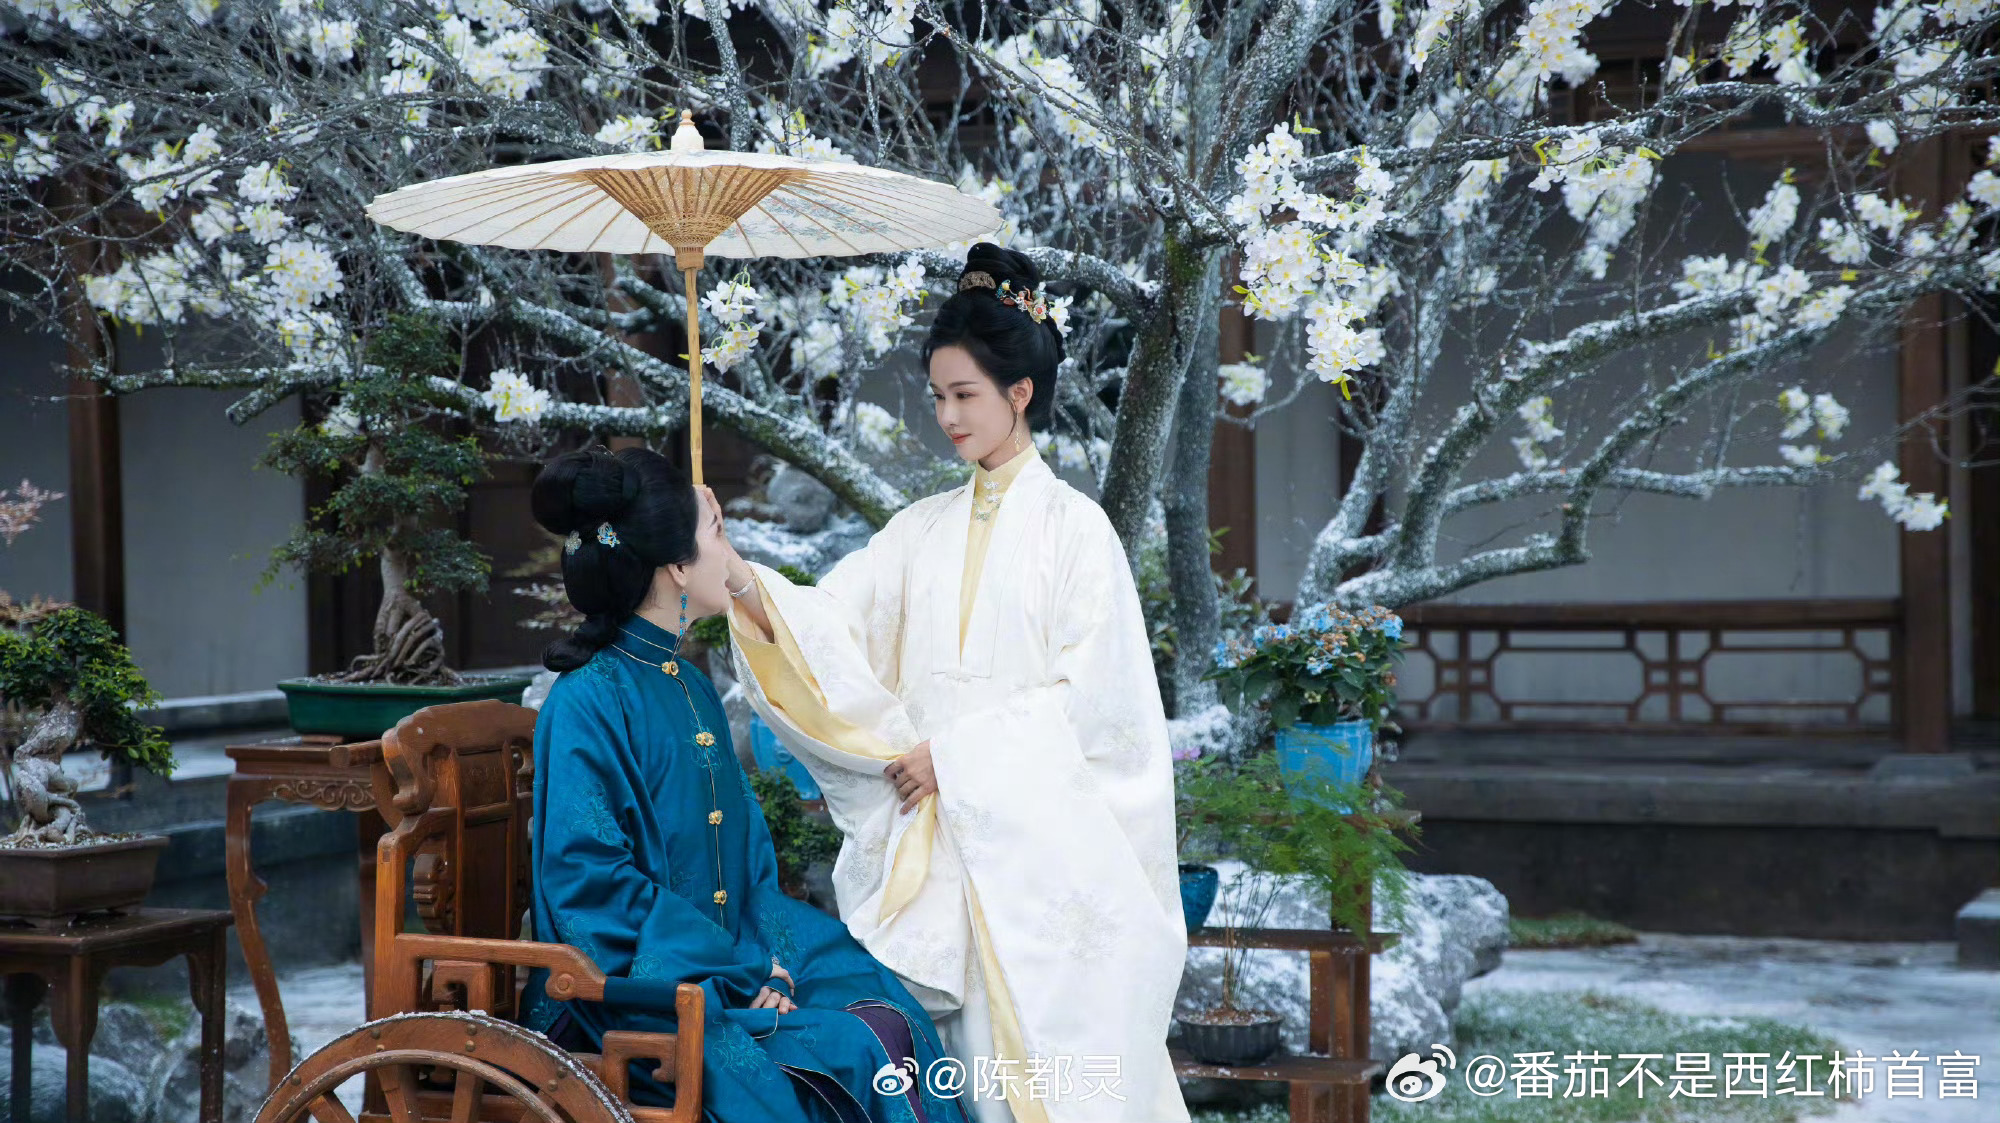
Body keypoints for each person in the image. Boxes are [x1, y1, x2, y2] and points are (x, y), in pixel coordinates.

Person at [718, 243, 1191, 1122]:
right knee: (955, 1081)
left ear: (1021, 392)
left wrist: (958, 759)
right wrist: (743, 581)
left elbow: (1096, 705)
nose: (947, 416)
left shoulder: (1077, 532)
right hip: (940, 849)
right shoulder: (918, 531)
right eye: (937, 396)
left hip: (1040, 860)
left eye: (965, 395)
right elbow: (831, 623)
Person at [522, 446, 970, 1123]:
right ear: (678, 567)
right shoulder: (585, 700)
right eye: (718, 534)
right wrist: (736, 971)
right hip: (638, 990)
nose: (730, 555)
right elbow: (590, 886)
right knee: (852, 1050)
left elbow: (746, 856)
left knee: (885, 1007)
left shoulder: (689, 683)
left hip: (729, 953)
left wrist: (765, 961)